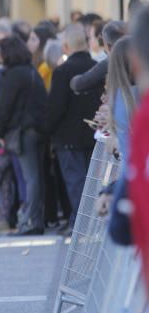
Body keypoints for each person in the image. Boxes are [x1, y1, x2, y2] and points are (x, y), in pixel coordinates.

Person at [45, 23, 102, 232]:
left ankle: (80, 224)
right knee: (92, 182)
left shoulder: (62, 72)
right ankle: (91, 222)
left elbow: (56, 107)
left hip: (68, 138)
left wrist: (47, 131)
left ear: (66, 45)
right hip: (93, 134)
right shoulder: (96, 66)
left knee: (75, 183)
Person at [0, 35, 49, 236]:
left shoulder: (13, 75)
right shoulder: (31, 71)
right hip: (38, 130)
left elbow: (4, 108)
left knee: (31, 178)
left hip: (23, 131)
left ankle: (29, 222)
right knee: (37, 177)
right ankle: (37, 220)